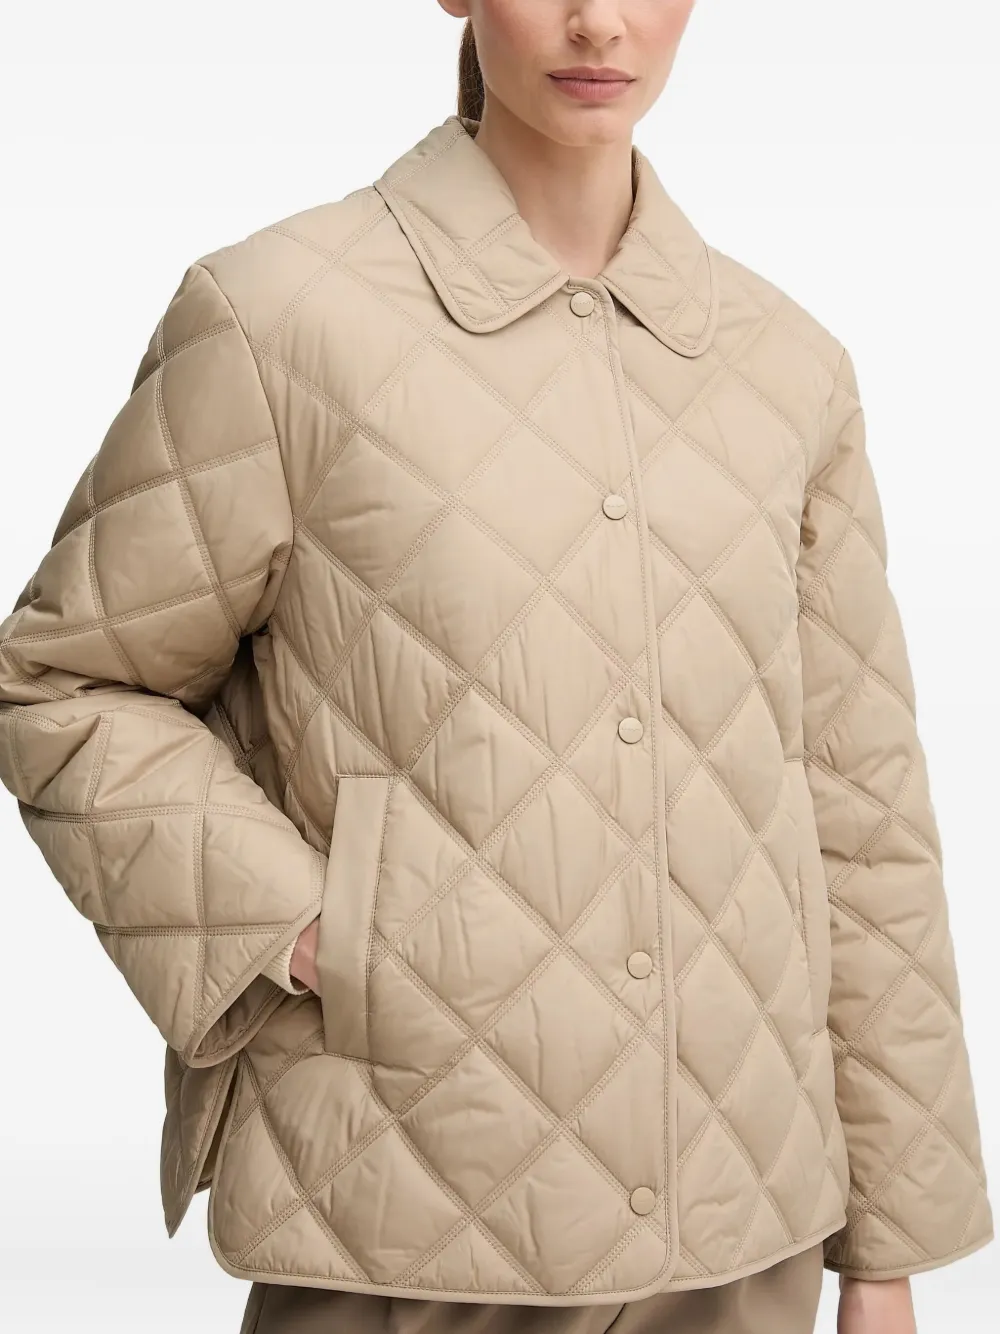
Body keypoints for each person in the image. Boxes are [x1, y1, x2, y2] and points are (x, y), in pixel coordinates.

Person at [0, 2, 992, 1332]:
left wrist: (889, 1250)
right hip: (403, 1216)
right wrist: (301, 922)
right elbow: (66, 682)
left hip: (742, 1231)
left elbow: (860, 815)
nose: (598, 21)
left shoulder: (786, 371)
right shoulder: (282, 319)